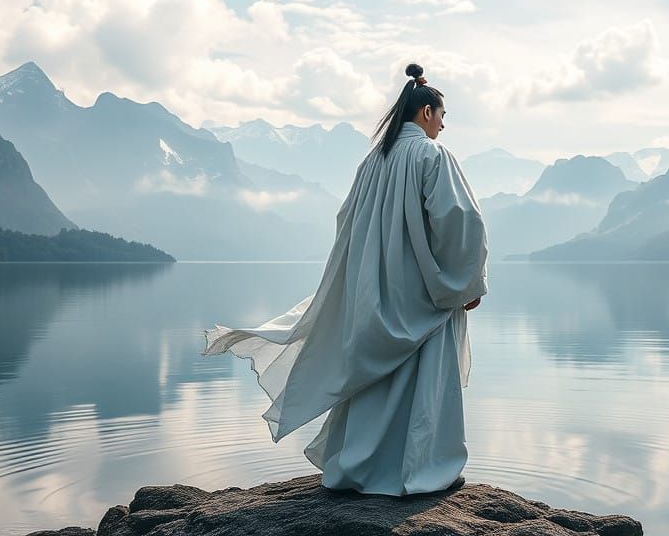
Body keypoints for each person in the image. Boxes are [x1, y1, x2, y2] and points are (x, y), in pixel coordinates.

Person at [203, 63, 488, 496]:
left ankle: (357, 468)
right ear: (427, 112)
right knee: (423, 380)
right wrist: (464, 282)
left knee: (374, 380)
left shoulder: (373, 162)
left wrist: (364, 278)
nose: (443, 126)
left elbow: (348, 222)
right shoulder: (432, 156)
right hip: (423, 291)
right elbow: (460, 220)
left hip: (376, 289)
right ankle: (422, 470)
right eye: (442, 116)